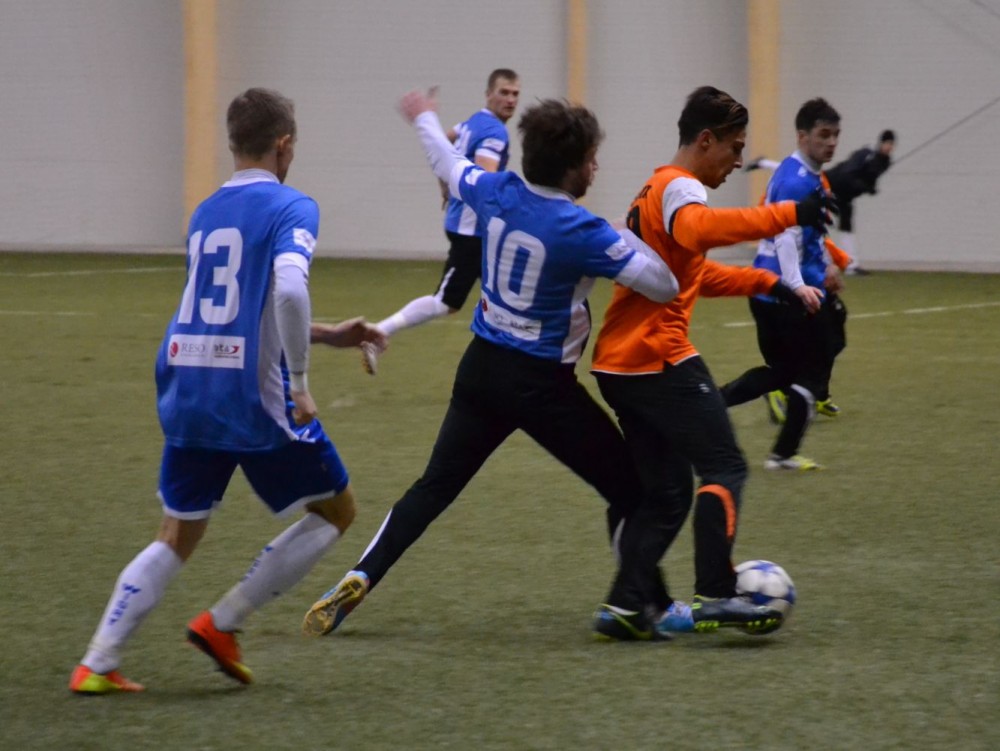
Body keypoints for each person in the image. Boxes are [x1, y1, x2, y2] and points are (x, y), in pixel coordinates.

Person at [302, 88, 681, 638]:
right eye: (591, 159)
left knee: (433, 487)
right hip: (543, 388)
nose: (596, 168)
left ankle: (362, 572)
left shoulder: (496, 190)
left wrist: (424, 116)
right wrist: (628, 239)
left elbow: (445, 160)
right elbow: (664, 286)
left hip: (481, 370)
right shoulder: (583, 231)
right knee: (633, 492)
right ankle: (647, 604)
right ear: (572, 168)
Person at [68, 88, 385, 695]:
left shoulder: (205, 211)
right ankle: (224, 623)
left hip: (187, 382)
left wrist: (327, 335)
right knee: (336, 511)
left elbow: (238, 312)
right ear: (284, 145)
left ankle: (97, 662)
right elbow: (288, 290)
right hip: (251, 396)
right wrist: (300, 383)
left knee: (176, 533)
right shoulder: (293, 206)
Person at [589, 86, 832, 640]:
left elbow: (696, 276)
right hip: (659, 358)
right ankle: (716, 594)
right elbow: (700, 231)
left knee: (669, 492)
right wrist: (786, 214)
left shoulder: (656, 188)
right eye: (734, 147)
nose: (739, 160)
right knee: (725, 467)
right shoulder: (681, 187)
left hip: (619, 365)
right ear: (705, 140)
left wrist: (771, 283)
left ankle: (626, 606)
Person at [359, 69, 521, 375]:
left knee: (499, 296)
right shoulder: (494, 133)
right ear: (489, 94)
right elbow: (484, 181)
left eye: (515, 94)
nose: (510, 99)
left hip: (469, 226)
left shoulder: (473, 122)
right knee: (448, 301)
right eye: (504, 92)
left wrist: (444, 185)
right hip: (474, 231)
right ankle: (378, 333)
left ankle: (504, 363)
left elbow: (444, 143)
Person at [720, 98, 844, 471]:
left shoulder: (799, 172)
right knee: (813, 368)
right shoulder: (796, 179)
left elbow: (803, 232)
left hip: (770, 293)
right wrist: (796, 286)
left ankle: (708, 404)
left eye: (836, 135)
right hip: (786, 295)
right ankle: (783, 454)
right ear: (803, 136)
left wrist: (825, 264)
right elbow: (786, 235)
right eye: (824, 135)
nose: (831, 143)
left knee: (783, 372)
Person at [824, 129, 895, 275]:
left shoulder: (885, 163)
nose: (889, 146)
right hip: (830, 184)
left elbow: (870, 178)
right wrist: (863, 186)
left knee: (846, 226)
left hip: (845, 195)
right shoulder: (866, 154)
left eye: (891, 144)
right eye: (887, 143)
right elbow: (847, 174)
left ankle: (850, 265)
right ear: (881, 143)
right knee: (817, 222)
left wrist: (870, 188)